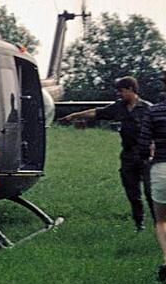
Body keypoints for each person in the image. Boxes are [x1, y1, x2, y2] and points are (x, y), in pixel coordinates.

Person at [60, 76, 153, 231]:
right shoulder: (118, 107)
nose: (119, 94)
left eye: (122, 91)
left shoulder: (148, 108)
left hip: (146, 155)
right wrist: (75, 116)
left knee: (151, 192)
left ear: (131, 89)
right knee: (132, 192)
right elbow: (96, 113)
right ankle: (139, 225)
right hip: (128, 154)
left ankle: (159, 224)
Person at [139, 72, 166, 281]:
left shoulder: (153, 111)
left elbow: (143, 142)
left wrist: (146, 159)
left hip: (161, 168)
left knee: (161, 221)